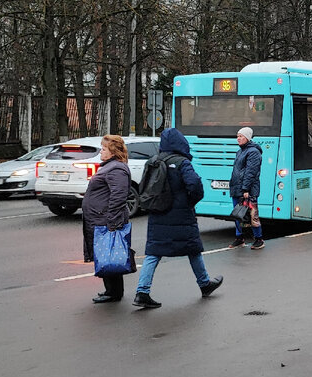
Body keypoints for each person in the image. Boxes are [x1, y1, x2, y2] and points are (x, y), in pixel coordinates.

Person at [132, 127, 223, 309]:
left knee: (153, 253)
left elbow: (143, 187)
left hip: (158, 213)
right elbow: (195, 185)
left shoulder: (152, 161)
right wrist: (190, 202)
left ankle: (142, 292)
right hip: (181, 214)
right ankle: (204, 283)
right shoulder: (182, 162)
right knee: (193, 249)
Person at [85, 135, 135, 304]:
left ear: (113, 151)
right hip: (101, 218)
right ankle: (111, 290)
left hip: (106, 220)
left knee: (110, 254)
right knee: (106, 253)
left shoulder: (116, 169)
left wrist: (112, 221)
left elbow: (119, 196)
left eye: (104, 149)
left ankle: (114, 292)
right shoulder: (110, 167)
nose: (101, 151)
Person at [229, 126, 264, 250]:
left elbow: (251, 172)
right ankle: (239, 238)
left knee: (252, 214)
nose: (238, 138)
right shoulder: (240, 151)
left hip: (247, 189)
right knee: (238, 214)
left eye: (241, 136)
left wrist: (245, 189)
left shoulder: (253, 152)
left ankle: (259, 239)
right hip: (237, 188)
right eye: (237, 136)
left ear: (248, 138)